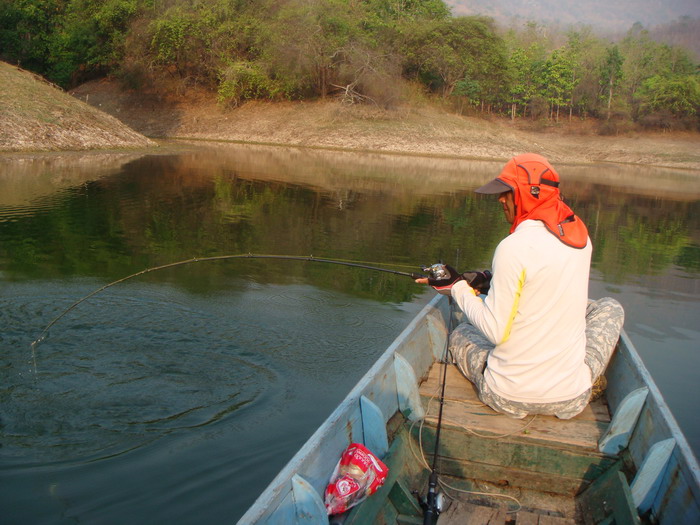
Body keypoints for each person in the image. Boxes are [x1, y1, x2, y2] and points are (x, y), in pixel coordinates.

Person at [416, 153, 624, 419]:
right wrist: (491, 280)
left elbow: (495, 332)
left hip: (506, 397)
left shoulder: (513, 247)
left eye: (507, 192)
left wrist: (457, 286)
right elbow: (544, 279)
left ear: (529, 193)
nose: (501, 200)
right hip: (572, 399)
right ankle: (581, 380)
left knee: (461, 331)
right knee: (609, 307)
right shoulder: (580, 238)